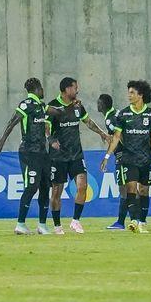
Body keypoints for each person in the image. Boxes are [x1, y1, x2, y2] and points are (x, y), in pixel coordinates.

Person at [99, 80, 151, 234]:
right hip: (128, 159)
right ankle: (134, 220)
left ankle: (142, 221)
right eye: (128, 92)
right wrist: (107, 156)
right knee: (131, 188)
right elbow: (116, 137)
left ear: (140, 95)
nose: (129, 95)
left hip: (145, 160)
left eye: (132, 93)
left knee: (143, 191)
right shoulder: (123, 114)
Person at [45, 77, 108, 234]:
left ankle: (75, 221)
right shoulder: (53, 106)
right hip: (58, 157)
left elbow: (88, 121)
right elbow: (45, 127)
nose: (77, 90)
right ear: (67, 89)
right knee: (56, 192)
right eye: (75, 87)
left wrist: (102, 133)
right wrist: (51, 140)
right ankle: (57, 226)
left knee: (82, 186)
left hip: (76, 155)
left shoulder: (78, 106)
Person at [0, 78, 50, 235]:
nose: (43, 90)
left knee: (44, 187)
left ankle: (42, 226)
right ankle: (20, 224)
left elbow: (56, 112)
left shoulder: (41, 106)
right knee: (32, 186)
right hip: (29, 152)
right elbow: (12, 122)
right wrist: (1, 143)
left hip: (42, 152)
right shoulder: (26, 104)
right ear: (37, 89)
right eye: (41, 88)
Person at [97, 93, 130, 230]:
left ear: (104, 105)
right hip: (129, 155)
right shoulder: (116, 113)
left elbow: (120, 136)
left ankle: (121, 222)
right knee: (132, 188)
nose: (97, 105)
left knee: (124, 189)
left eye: (99, 103)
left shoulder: (110, 119)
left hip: (123, 156)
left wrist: (118, 150)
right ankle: (139, 219)